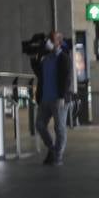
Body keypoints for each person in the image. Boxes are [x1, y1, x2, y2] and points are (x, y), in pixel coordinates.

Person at [30, 30, 73, 166]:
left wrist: (62, 96)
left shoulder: (64, 58)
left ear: (59, 42)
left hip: (58, 99)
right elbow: (38, 72)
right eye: (49, 39)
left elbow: (67, 79)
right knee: (40, 124)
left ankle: (58, 155)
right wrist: (36, 54)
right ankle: (52, 148)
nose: (49, 41)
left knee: (59, 128)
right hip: (45, 99)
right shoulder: (46, 59)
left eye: (52, 39)